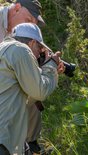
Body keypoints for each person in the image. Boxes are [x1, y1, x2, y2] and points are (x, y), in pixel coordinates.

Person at [0, 22, 61, 155]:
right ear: (33, 42)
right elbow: (40, 92)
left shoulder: (4, 49)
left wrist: (46, 72)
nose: (39, 55)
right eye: (40, 49)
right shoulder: (20, 49)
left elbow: (24, 100)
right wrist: (50, 66)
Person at [0, 0, 47, 153]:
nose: (30, 26)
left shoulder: (21, 35)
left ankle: (28, 144)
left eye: (34, 24)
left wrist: (48, 62)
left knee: (32, 93)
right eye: (28, 20)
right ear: (17, 8)